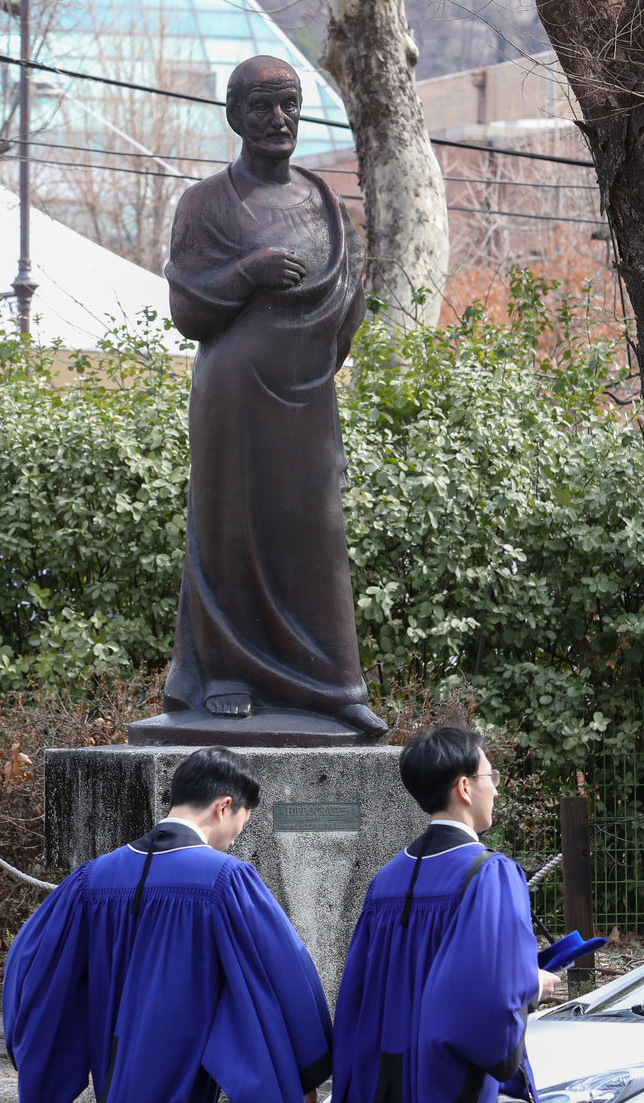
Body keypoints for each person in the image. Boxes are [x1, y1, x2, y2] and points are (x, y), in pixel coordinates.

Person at [163, 56, 386, 738]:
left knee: (315, 534)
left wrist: (310, 358)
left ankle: (335, 684)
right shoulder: (204, 203)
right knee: (231, 530)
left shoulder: (327, 204)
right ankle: (227, 672)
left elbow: (348, 304)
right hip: (232, 401)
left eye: (288, 104)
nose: (277, 119)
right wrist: (246, 272)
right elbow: (187, 306)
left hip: (307, 399)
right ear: (234, 115)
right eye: (260, 107)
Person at [3, 747, 332, 1103]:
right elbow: (285, 974)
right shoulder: (225, 880)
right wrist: (302, 1074)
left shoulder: (93, 878)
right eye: (242, 823)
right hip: (181, 1088)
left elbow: (30, 959)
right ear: (224, 807)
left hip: (112, 1079)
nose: (235, 837)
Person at [325, 726, 559, 1103]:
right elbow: (491, 1010)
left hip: (382, 1095)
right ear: (465, 786)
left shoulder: (385, 880)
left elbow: (357, 999)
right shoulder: (491, 873)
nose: (497, 791)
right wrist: (531, 986)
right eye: (492, 778)